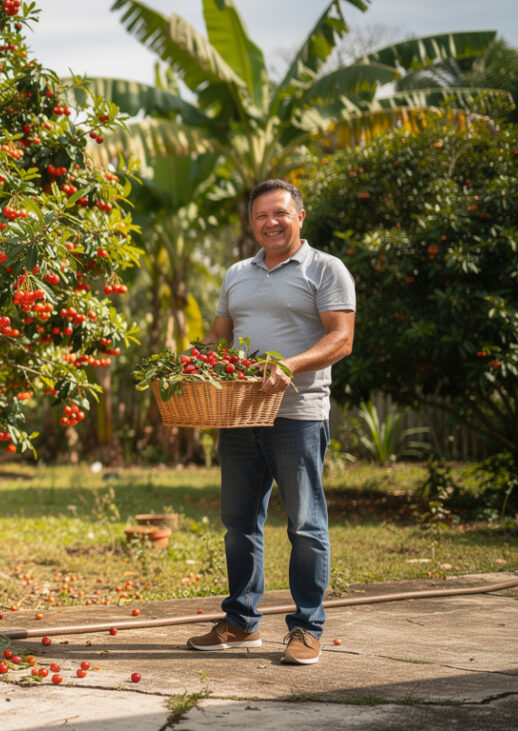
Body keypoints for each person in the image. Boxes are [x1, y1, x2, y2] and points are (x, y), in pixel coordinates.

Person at [185, 179, 355, 665]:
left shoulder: (326, 269)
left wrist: (290, 365)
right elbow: (220, 340)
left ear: (300, 216)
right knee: (239, 523)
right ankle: (240, 622)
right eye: (261, 216)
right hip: (239, 415)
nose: (270, 222)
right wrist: (193, 361)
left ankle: (307, 628)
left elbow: (341, 339)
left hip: (298, 414)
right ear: (253, 223)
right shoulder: (237, 273)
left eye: (279, 213)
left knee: (304, 524)